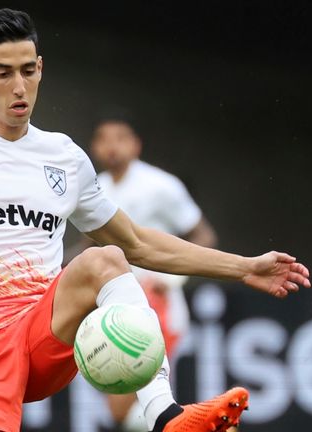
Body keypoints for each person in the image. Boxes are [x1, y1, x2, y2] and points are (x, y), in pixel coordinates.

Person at [0, 8, 311, 432]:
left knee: (105, 258)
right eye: (3, 72)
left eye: (28, 70)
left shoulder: (64, 157)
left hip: (42, 333)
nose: (19, 85)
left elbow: (137, 244)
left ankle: (165, 415)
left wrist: (243, 267)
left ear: (41, 68)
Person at [89, 119, 218, 431]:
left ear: (136, 144)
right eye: (104, 139)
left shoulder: (161, 185)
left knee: (128, 399)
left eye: (120, 138)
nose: (112, 146)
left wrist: (170, 280)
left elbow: (204, 236)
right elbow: (89, 244)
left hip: (156, 302)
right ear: (94, 147)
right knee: (122, 405)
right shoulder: (95, 187)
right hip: (113, 304)